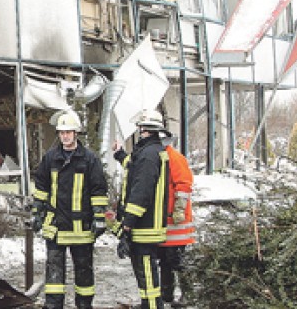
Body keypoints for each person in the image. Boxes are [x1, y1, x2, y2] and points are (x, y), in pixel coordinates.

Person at [31, 109, 109, 309]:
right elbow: (41, 187)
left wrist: (99, 217)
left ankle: (84, 305)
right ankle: (53, 305)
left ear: (76, 133)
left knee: (84, 271)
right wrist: (37, 212)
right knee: (54, 274)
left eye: (68, 132)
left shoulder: (89, 159)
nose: (64, 136)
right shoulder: (50, 158)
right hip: (56, 226)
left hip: (81, 228)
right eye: (61, 132)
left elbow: (98, 189)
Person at [111, 109, 170, 309]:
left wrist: (127, 223)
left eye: (139, 128)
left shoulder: (148, 155)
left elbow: (141, 192)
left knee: (146, 270)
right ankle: (148, 303)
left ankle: (152, 305)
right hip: (146, 224)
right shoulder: (150, 152)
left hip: (145, 226)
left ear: (144, 129)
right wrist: (120, 155)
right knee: (144, 271)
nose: (138, 131)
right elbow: (134, 167)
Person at [159, 133, 195, 308]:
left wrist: (178, 210)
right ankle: (167, 295)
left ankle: (186, 294)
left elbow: (184, 185)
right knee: (165, 260)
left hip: (176, 222)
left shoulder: (174, 158)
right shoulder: (163, 157)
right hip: (167, 220)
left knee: (177, 260)